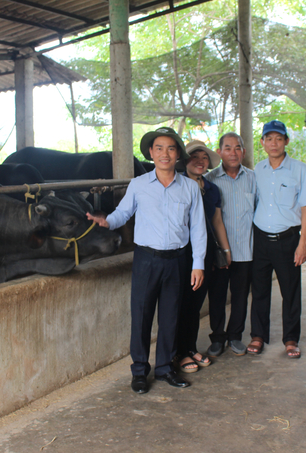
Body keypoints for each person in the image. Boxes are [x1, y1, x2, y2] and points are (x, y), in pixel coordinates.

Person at [86, 127, 207, 394]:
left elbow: (198, 228)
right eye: (159, 148)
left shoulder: (189, 188)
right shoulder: (139, 184)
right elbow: (122, 213)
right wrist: (106, 221)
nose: (165, 154)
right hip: (146, 260)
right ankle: (140, 371)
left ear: (178, 154)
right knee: (141, 316)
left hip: (178, 260)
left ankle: (164, 368)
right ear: (151, 153)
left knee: (170, 317)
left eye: (171, 148)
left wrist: (198, 263)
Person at [249, 120, 306, 358]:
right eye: (269, 138)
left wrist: (302, 243)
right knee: (260, 290)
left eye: (278, 138)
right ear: (263, 143)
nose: (273, 143)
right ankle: (258, 336)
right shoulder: (258, 170)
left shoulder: (300, 170)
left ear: (286, 141)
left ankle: (291, 339)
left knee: (290, 291)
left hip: (288, 239)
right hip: (260, 239)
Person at [174, 140, 231, 372]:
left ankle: (189, 348)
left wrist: (225, 252)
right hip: (179, 253)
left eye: (204, 157)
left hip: (203, 253)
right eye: (194, 156)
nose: (200, 161)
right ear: (184, 160)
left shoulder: (212, 189)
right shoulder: (175, 185)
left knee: (195, 305)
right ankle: (177, 352)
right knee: (178, 304)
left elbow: (217, 221)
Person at [203, 132, 257, 357]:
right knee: (216, 296)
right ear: (219, 152)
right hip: (218, 252)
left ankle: (235, 336)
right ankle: (217, 337)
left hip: (245, 249)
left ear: (243, 152)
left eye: (237, 148)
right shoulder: (209, 180)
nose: (233, 153)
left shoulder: (254, 178)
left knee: (240, 295)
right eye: (228, 148)